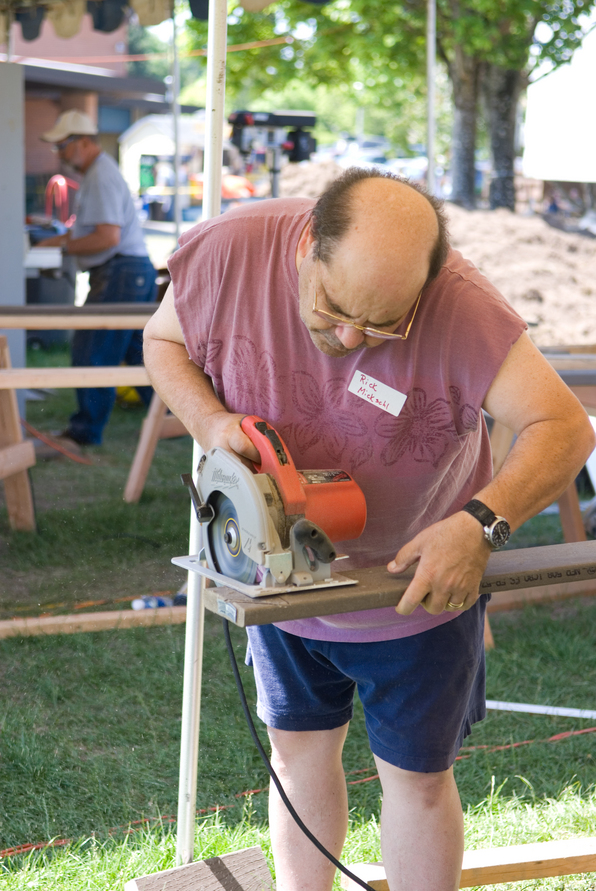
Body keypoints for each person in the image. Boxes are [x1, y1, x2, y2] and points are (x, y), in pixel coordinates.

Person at [142, 168, 594, 891]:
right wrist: (209, 421)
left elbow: (564, 426)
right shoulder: (232, 250)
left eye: (383, 324)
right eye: (334, 309)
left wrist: (479, 527)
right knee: (296, 756)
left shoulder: (462, 305)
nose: (352, 337)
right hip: (279, 577)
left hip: (414, 589)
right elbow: (162, 342)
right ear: (306, 247)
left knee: (417, 781)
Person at [38, 109, 156, 447]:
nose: (60, 154)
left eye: (62, 146)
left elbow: (107, 237)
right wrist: (62, 241)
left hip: (120, 270)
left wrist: (63, 245)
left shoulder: (101, 175)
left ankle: (85, 432)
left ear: (84, 142)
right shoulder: (98, 172)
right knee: (140, 355)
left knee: (92, 351)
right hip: (129, 270)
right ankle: (172, 419)